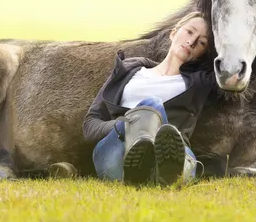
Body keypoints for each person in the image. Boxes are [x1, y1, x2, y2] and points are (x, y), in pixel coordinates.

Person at [83, 11, 216, 186]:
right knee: (152, 105)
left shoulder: (198, 83)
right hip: (116, 154)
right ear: (173, 32)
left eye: (202, 42)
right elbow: (90, 125)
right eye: (189, 32)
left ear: (203, 53)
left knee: (177, 149)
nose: (191, 42)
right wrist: (128, 124)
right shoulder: (130, 71)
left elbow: (255, 64)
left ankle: (163, 170)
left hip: (173, 156)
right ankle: (145, 161)